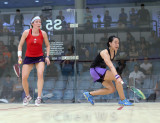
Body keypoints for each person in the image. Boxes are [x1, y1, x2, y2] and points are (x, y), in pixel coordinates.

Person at [83, 36, 133, 106]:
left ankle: (89, 94)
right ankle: (123, 100)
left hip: (100, 71)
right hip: (95, 70)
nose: (117, 45)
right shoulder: (104, 52)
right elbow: (111, 66)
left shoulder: (115, 51)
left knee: (111, 89)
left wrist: (116, 75)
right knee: (117, 78)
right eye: (115, 42)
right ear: (110, 43)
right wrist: (116, 76)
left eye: (118, 43)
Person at [18, 16, 50, 106]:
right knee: (24, 77)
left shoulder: (43, 33)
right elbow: (20, 45)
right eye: (37, 22)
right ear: (32, 24)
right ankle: (28, 96)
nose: (39, 23)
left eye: (40, 22)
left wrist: (47, 56)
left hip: (39, 57)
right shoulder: (26, 32)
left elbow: (47, 45)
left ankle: (39, 98)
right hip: (29, 57)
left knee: (40, 74)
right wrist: (19, 56)